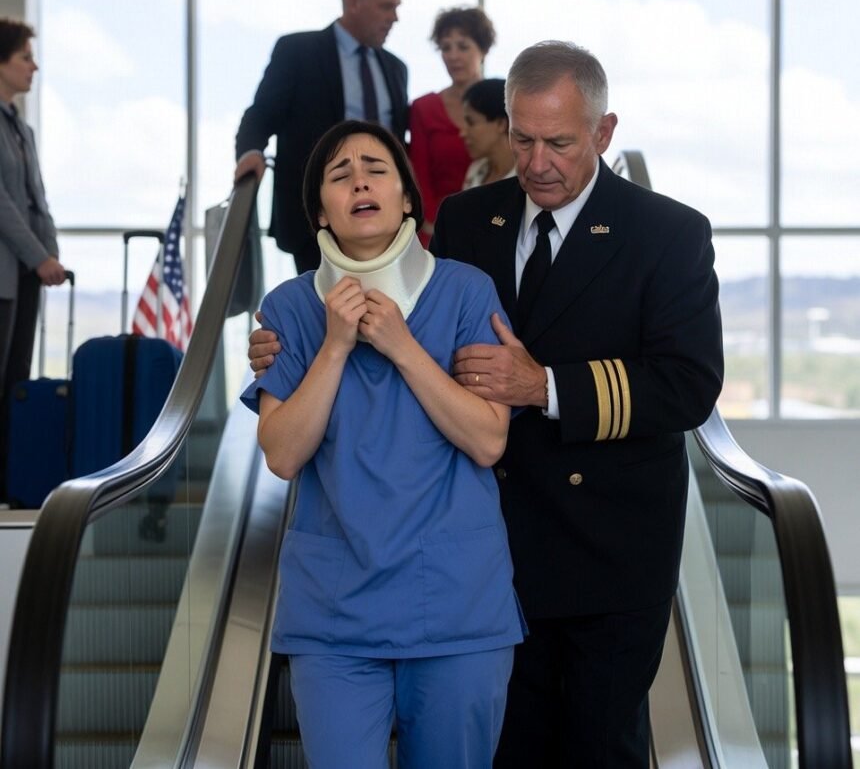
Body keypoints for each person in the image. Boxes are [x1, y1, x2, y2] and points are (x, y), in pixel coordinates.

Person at [248, 40, 724, 767]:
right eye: (522, 140)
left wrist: (545, 386)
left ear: (603, 132)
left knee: (600, 747)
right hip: (494, 545)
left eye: (560, 144)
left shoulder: (666, 233)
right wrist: (289, 350)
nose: (537, 163)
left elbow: (688, 383)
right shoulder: (471, 219)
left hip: (607, 548)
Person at [241, 119, 525, 768]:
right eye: (339, 176)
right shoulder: (288, 309)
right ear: (321, 211)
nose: (360, 183)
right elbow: (282, 454)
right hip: (333, 616)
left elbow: (488, 440)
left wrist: (402, 346)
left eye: (376, 169)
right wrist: (335, 346)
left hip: (456, 608)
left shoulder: (466, 291)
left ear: (406, 198)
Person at [234, 0, 408, 273]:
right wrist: (250, 152)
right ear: (354, 3)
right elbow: (261, 115)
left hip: (382, 222)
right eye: (387, 7)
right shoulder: (297, 52)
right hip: (312, 224)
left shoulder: (396, 69)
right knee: (320, 305)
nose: (394, 18)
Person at [0, 18, 67, 504]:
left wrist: (51, 253)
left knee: (14, 383)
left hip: (24, 277)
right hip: (7, 273)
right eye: (25, 57)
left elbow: (36, 200)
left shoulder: (21, 127)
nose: (34, 66)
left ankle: (9, 482)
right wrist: (38, 255)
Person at [408, 6, 495, 244]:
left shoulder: (504, 103)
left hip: (494, 224)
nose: (453, 56)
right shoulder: (423, 108)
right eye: (446, 48)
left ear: (483, 49)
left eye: (463, 46)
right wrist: (430, 224)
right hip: (436, 228)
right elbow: (418, 173)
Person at [460, 77, 516, 189]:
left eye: (471, 122)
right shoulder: (475, 171)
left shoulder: (528, 179)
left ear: (501, 124)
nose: (462, 133)